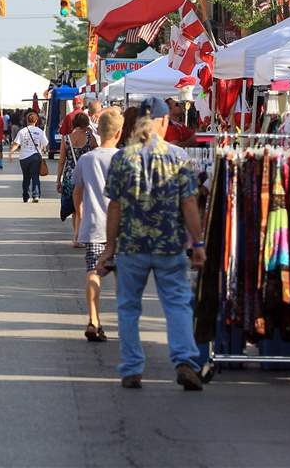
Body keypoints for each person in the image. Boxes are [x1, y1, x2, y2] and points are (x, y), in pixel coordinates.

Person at [97, 96, 206, 391]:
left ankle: (132, 368)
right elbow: (189, 204)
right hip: (169, 246)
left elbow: (115, 207)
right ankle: (185, 361)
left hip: (132, 246)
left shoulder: (123, 158)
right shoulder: (177, 157)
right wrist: (197, 243)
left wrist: (109, 247)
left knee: (128, 307)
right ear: (162, 121)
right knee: (177, 304)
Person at [72, 109, 123, 342]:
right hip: (121, 228)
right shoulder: (125, 158)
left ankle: (93, 319)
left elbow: (77, 190)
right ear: (119, 132)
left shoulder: (86, 159)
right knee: (123, 277)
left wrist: (80, 212)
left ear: (98, 131)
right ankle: (126, 322)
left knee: (93, 272)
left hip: (94, 225)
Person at [57, 112, 96, 242]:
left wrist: (58, 179)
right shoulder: (90, 137)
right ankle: (78, 236)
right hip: (85, 174)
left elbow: (62, 160)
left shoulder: (66, 138)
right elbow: (97, 153)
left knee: (74, 208)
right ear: (86, 124)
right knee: (83, 205)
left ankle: (76, 234)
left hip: (70, 175)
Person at [11, 111, 48, 203]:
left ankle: (25, 196)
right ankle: (35, 196)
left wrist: (10, 153)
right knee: (35, 176)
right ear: (36, 121)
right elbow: (45, 144)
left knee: (26, 177)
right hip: (35, 156)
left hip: (24, 158)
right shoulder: (40, 131)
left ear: (26, 120)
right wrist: (42, 149)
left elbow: (16, 144)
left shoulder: (22, 131)